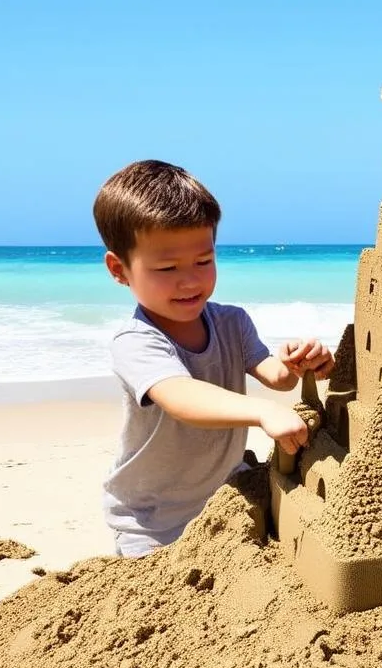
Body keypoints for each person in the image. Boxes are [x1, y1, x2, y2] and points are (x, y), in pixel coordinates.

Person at [94, 159, 335, 558]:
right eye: (167, 267)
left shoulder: (231, 321)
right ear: (120, 270)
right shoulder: (135, 342)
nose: (190, 280)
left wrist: (298, 361)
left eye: (204, 261)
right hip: (154, 518)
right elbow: (183, 398)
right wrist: (261, 412)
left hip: (227, 493)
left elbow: (276, 377)